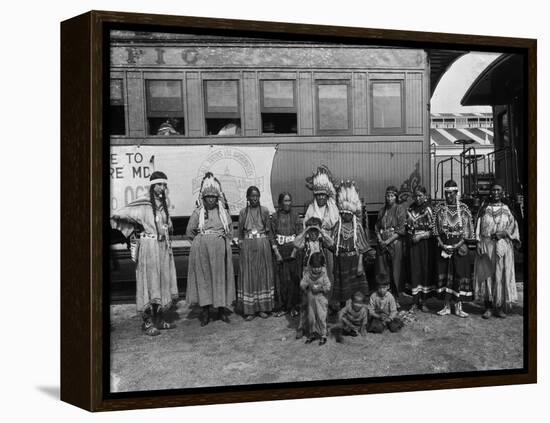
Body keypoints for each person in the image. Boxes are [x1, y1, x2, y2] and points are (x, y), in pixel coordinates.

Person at [110, 171, 179, 336]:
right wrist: (134, 227)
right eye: (159, 184)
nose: (162, 188)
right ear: (153, 185)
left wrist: (166, 227)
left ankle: (160, 320)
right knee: (149, 282)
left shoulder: (162, 205)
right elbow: (120, 213)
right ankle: (147, 322)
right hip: (149, 248)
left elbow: (168, 225)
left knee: (161, 281)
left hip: (162, 248)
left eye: (164, 185)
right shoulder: (143, 204)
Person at [185, 172, 235, 326]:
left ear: (217, 198)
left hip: (220, 252)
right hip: (202, 253)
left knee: (220, 279)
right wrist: (201, 243)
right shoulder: (198, 213)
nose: (211, 200)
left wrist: (222, 244)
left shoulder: (223, 213)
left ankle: (221, 309)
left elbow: (230, 231)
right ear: (204, 199)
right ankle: (205, 311)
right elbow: (190, 232)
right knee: (204, 280)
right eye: (208, 197)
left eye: (213, 197)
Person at [475, 182, 520, 318]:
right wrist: (478, 242)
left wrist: (504, 233)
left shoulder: (507, 208)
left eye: (498, 190)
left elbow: (514, 226)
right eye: (493, 190)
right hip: (486, 244)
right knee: (487, 275)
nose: (495, 193)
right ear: (490, 192)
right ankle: (488, 307)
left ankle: (499, 307)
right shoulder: (484, 208)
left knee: (501, 275)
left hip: (502, 245)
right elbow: (478, 225)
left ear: (502, 192)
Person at [433, 180, 475, 318]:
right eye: (446, 192)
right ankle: (446, 306)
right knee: (445, 275)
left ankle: (458, 306)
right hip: (444, 247)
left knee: (459, 275)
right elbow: (436, 231)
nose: (449, 195)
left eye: (451, 192)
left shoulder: (463, 209)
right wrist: (443, 245)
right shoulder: (439, 209)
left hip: (459, 247)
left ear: (457, 193)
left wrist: (457, 245)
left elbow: (468, 232)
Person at [237, 186, 275, 321]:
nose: (254, 198)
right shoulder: (243, 212)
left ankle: (263, 308)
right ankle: (249, 310)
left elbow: (269, 231)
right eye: (252, 196)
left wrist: (272, 247)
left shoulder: (264, 211)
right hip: (248, 245)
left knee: (262, 275)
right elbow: (240, 232)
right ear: (247, 198)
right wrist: (242, 246)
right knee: (249, 276)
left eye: (257, 196)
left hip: (262, 244)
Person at [331, 180, 371, 308]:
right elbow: (333, 245)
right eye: (342, 213)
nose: (344, 216)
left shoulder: (357, 227)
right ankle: (344, 312)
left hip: (354, 260)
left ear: (352, 214)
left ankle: (356, 311)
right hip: (341, 262)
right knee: (343, 290)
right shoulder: (338, 225)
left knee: (356, 290)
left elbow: (362, 248)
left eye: (347, 214)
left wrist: (360, 265)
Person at [293, 217, 334, 339]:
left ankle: (321, 327)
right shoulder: (305, 242)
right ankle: (303, 326)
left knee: (321, 301)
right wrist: (305, 231)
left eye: (315, 231)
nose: (313, 234)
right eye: (311, 231)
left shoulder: (321, 241)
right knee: (306, 301)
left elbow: (331, 242)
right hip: (308, 273)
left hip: (321, 273)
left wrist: (321, 231)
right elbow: (295, 243)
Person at [303, 166, 339, 281]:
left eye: (323, 194)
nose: (321, 197)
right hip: (316, 245)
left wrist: (330, 240)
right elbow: (306, 227)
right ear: (315, 196)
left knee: (331, 269)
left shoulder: (332, 207)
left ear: (327, 195)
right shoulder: (311, 208)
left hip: (330, 244)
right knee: (316, 269)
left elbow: (337, 225)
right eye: (318, 195)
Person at [271, 192, 302, 317]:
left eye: (289, 200)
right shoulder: (275, 216)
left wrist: (295, 251)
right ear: (280, 202)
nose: (288, 203)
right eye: (285, 201)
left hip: (293, 251)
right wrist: (276, 252)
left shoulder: (295, 216)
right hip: (280, 251)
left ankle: (294, 306)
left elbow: (300, 234)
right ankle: (283, 306)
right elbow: (272, 235)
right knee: (282, 280)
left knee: (293, 279)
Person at [405, 186, 436, 312]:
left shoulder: (428, 209)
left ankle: (423, 301)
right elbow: (407, 225)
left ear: (425, 195)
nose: (417, 198)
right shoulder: (410, 208)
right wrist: (411, 235)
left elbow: (434, 230)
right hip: (413, 244)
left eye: (420, 196)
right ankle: (414, 301)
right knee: (414, 270)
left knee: (424, 270)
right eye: (415, 196)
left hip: (425, 246)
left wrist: (421, 236)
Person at [375, 185, 406, 302]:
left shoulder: (400, 209)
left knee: (396, 271)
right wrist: (380, 240)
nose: (389, 198)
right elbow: (377, 227)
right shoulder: (382, 211)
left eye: (392, 196)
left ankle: (396, 299)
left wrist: (387, 241)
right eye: (387, 196)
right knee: (383, 270)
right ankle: (385, 297)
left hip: (394, 243)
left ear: (396, 197)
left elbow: (401, 229)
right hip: (382, 244)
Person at [300, 252, 331, 345]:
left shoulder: (324, 275)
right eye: (314, 267)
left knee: (321, 317)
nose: (316, 269)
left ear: (322, 266)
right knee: (311, 318)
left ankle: (323, 335)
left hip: (321, 300)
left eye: (319, 267)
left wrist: (321, 288)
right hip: (311, 301)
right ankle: (312, 334)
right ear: (310, 266)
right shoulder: (307, 274)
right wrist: (306, 286)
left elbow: (328, 286)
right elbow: (302, 284)